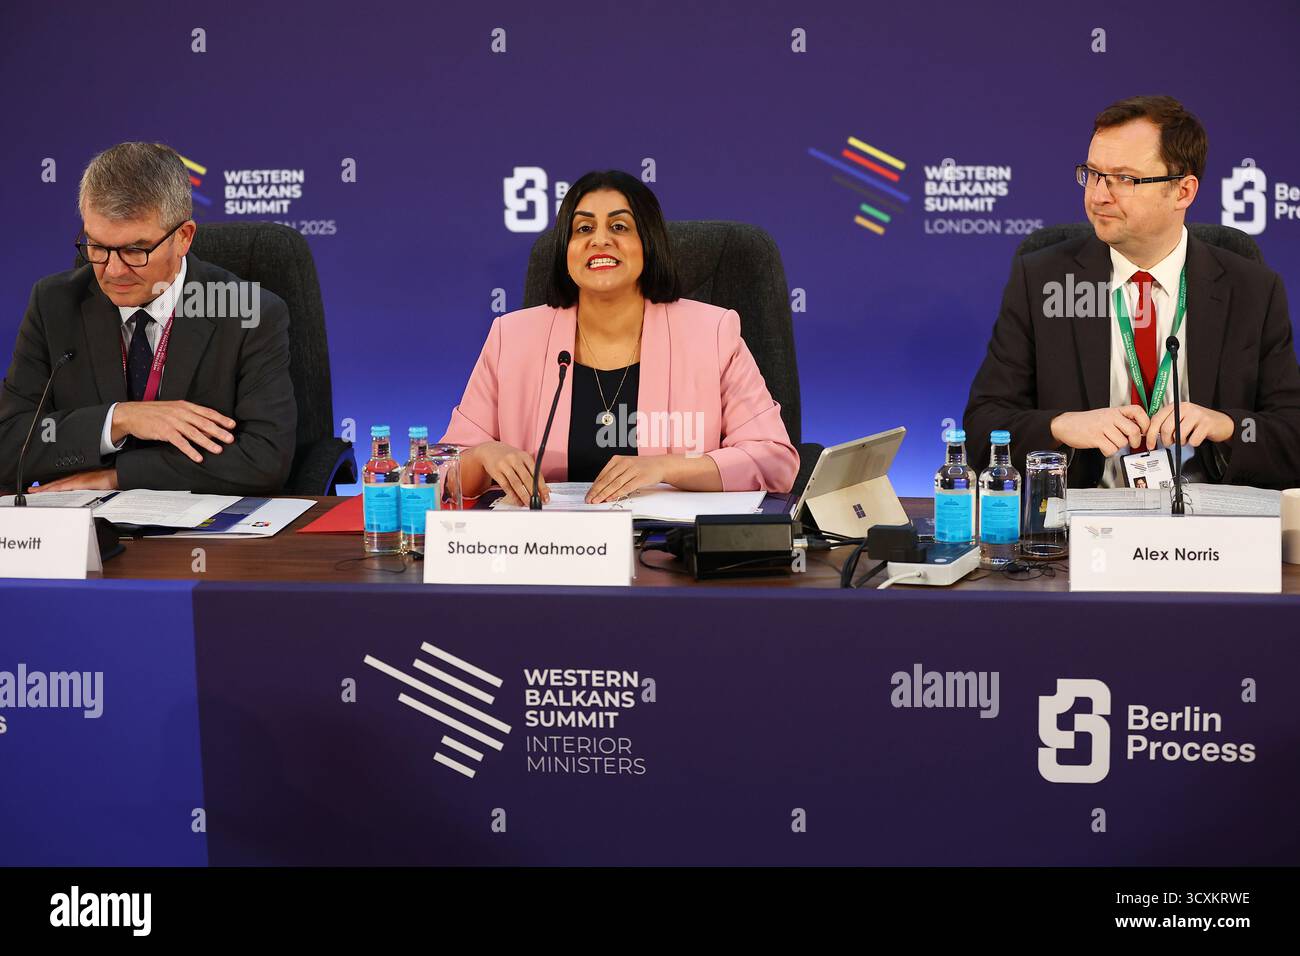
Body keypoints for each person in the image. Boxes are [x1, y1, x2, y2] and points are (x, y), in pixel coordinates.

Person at [964, 96, 1300, 489]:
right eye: (1092, 174)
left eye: (1124, 179)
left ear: (1183, 191)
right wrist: (1059, 427)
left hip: (1206, 526)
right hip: (1083, 525)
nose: (1098, 195)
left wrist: (1228, 426)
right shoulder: (1041, 280)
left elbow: (1292, 434)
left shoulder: (1252, 290)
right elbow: (981, 429)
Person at [439, 169, 798, 504]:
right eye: (582, 229)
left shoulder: (713, 333)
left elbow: (775, 460)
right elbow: (442, 474)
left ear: (649, 243)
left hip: (668, 552)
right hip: (547, 552)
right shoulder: (512, 337)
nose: (600, 240)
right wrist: (485, 456)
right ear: (566, 251)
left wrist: (665, 467)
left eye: (620, 227)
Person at [0, 142, 296, 495]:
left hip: (205, 537)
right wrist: (120, 419)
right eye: (96, 246)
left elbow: (264, 459)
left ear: (183, 237)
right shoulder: (54, 303)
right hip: (83, 536)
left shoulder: (249, 312)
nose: (112, 270)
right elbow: (8, 443)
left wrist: (119, 477)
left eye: (134, 250)